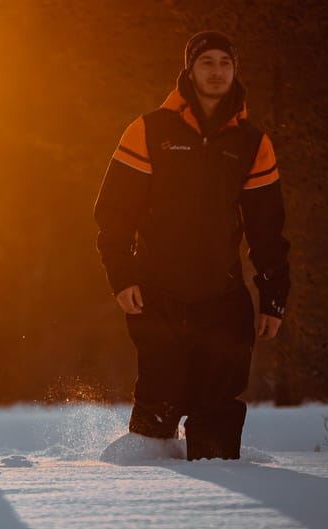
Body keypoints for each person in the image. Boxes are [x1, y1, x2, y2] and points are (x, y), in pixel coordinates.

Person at [93, 31, 290, 460]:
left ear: (234, 70)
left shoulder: (252, 143)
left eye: (224, 62)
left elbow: (266, 228)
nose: (217, 71)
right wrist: (121, 276)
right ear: (190, 70)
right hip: (156, 294)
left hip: (222, 298)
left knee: (217, 420)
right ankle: (146, 508)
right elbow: (113, 214)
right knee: (157, 406)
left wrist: (273, 296)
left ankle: (212, 510)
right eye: (207, 63)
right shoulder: (148, 130)